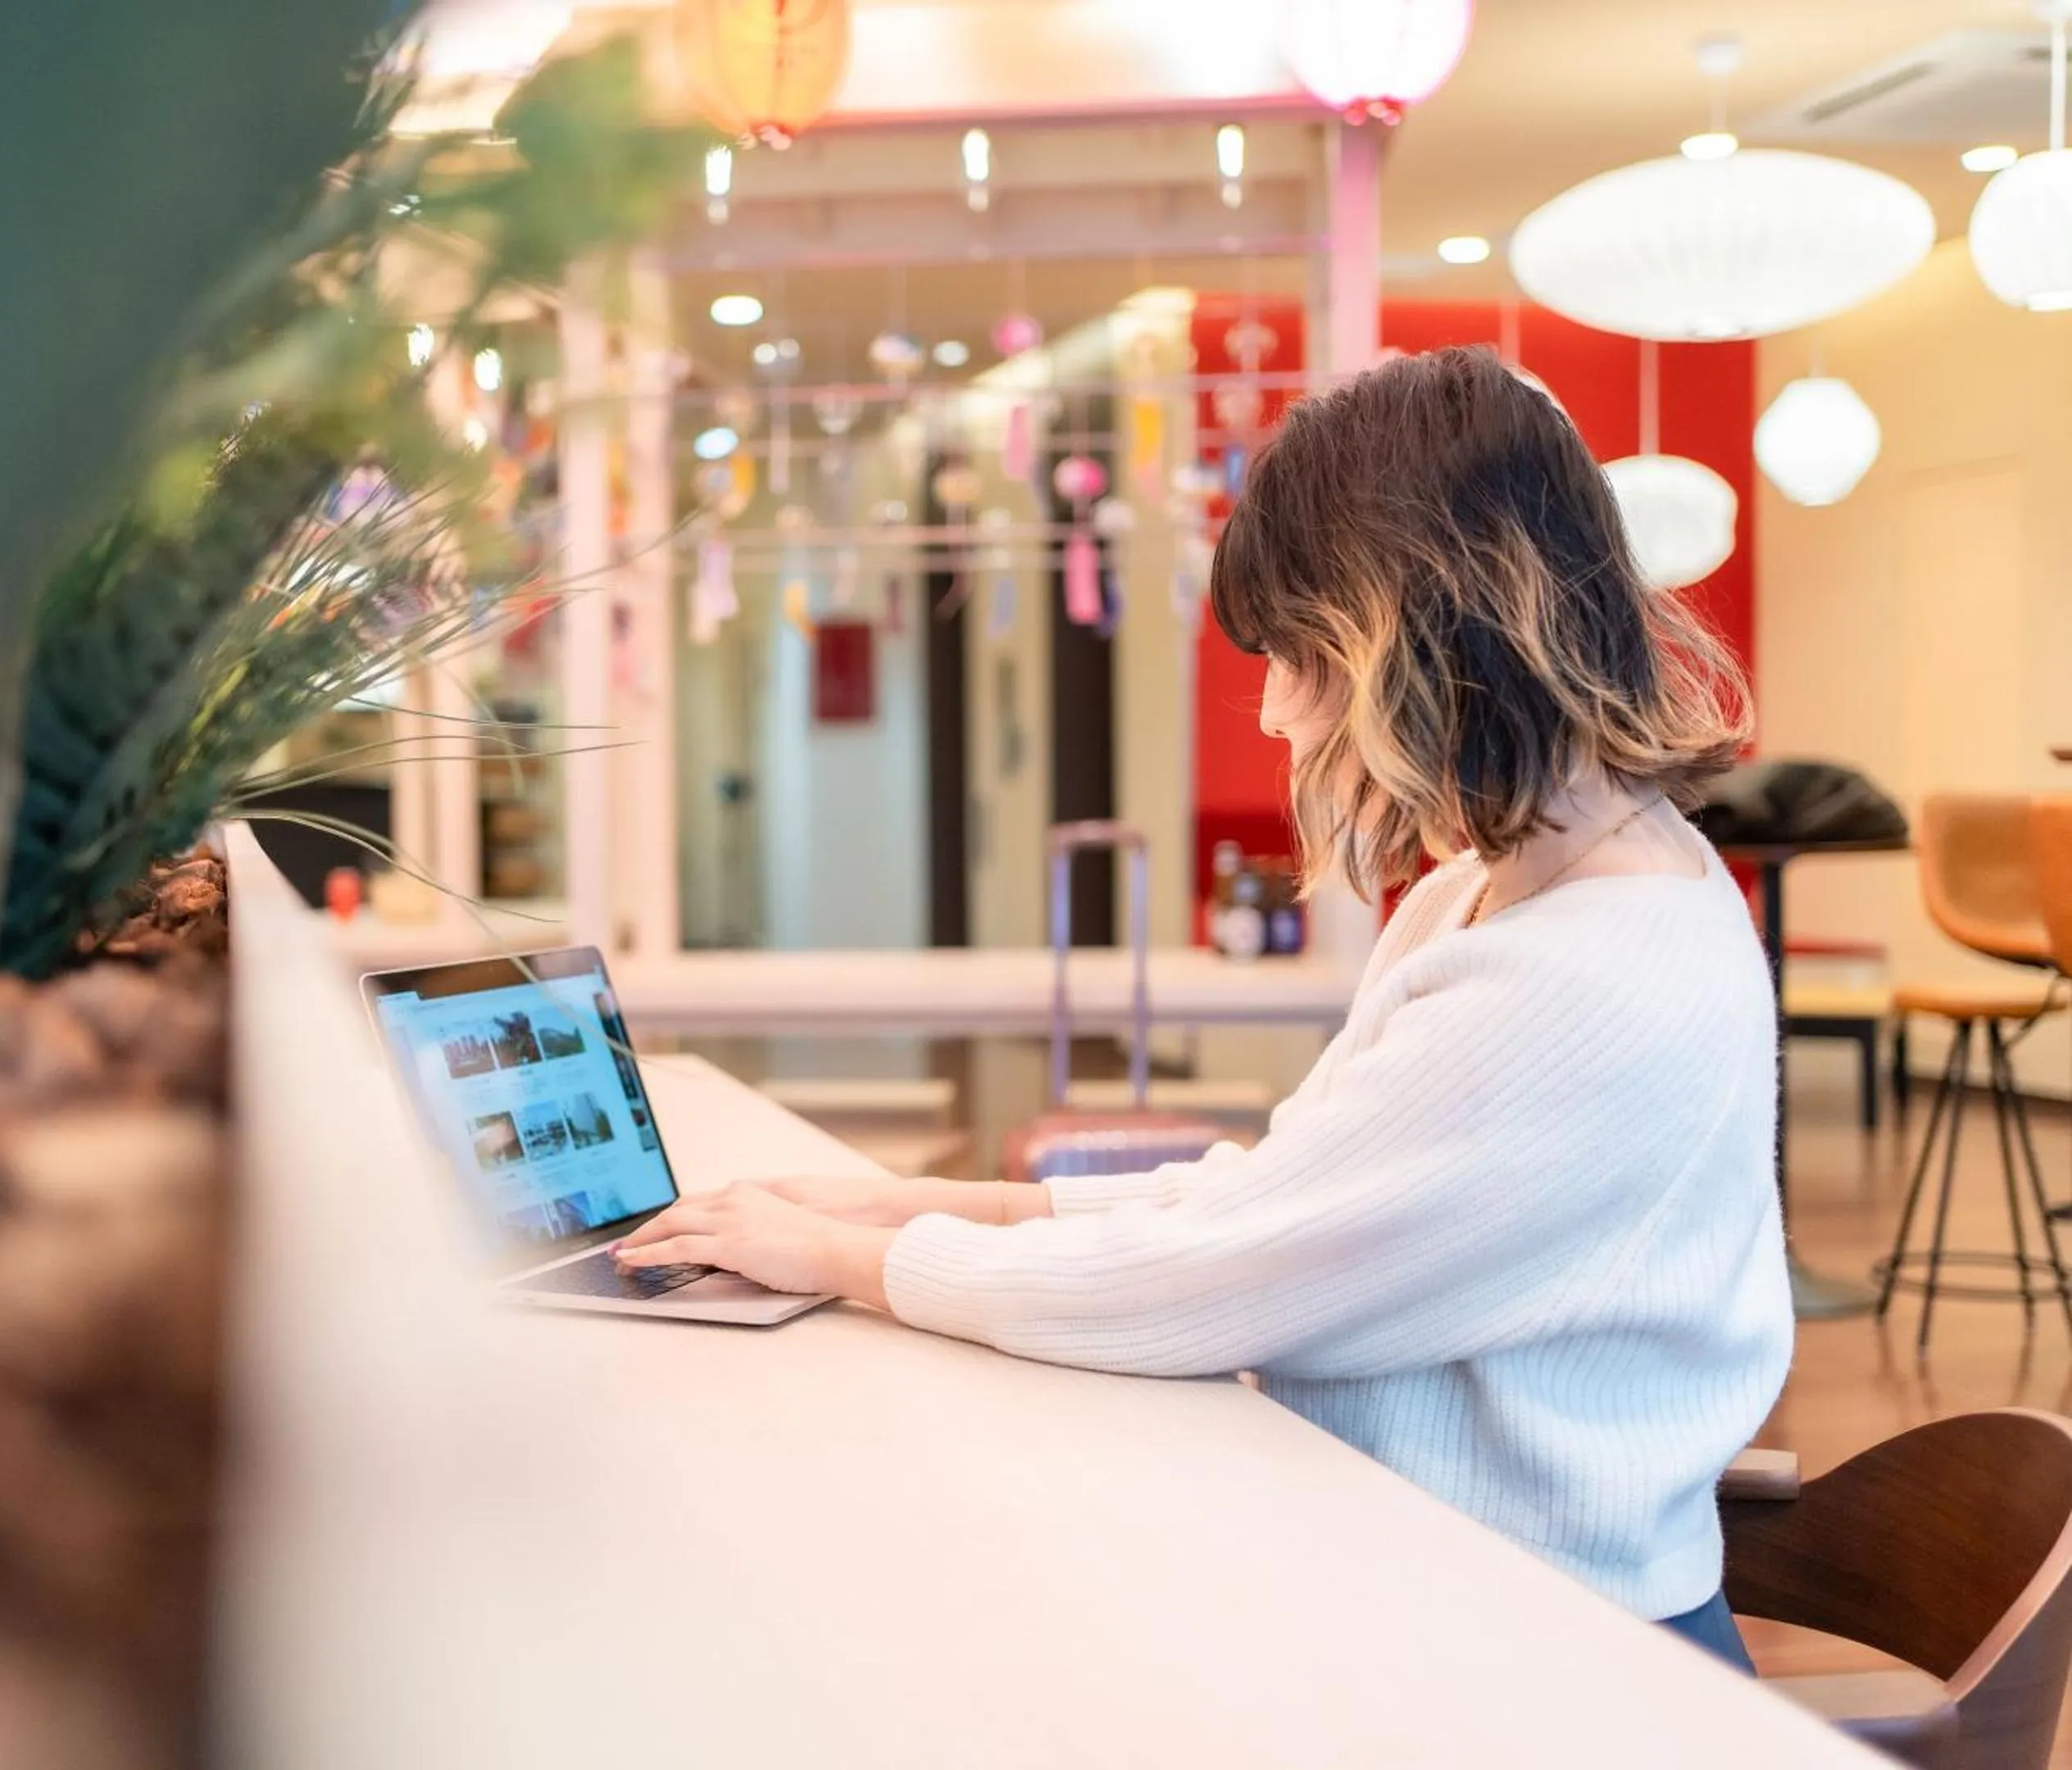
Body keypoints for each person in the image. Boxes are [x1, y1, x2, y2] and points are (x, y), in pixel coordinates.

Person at [620, 345, 1790, 1674]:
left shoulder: (1585, 978)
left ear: (1415, 631)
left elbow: (1213, 1282)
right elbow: (1283, 1205)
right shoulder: (1493, 894)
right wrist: (892, 1205)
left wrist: (843, 1261)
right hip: (1453, 1600)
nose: (1279, 707)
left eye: (1299, 652)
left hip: (1545, 1659)